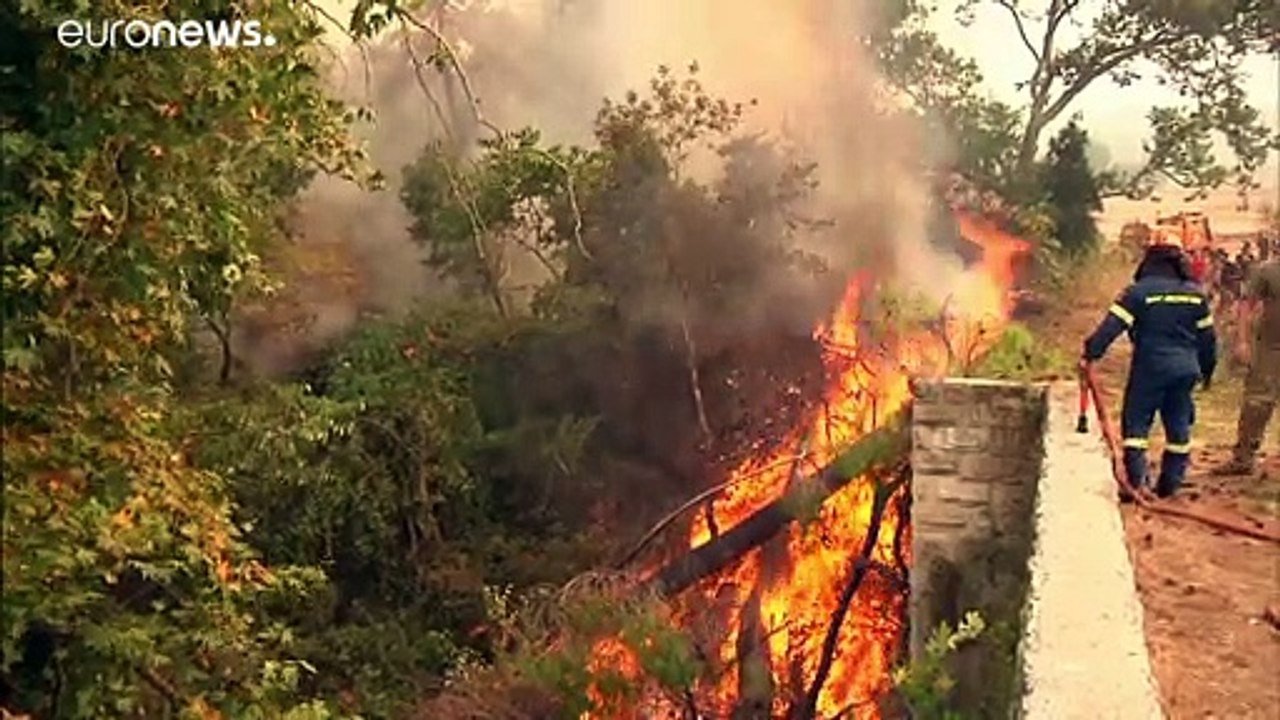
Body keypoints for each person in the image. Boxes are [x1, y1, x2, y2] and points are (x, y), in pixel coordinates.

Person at [1081, 230, 1218, 498]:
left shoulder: (1138, 293)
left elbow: (1112, 327)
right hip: (1186, 370)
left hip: (1151, 368)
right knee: (1179, 425)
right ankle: (1170, 483)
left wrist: (1090, 352)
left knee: (1136, 425)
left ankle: (1136, 483)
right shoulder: (1195, 295)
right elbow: (1209, 340)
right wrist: (1207, 370)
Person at [1212, 256, 1280, 475]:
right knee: (1257, 403)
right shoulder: (1267, 270)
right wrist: (1242, 340)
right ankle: (1243, 458)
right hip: (1270, 348)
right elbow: (1246, 304)